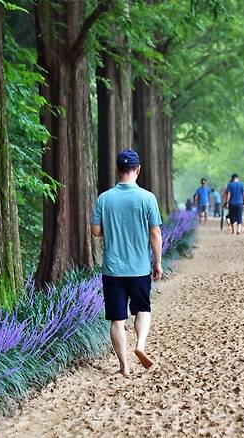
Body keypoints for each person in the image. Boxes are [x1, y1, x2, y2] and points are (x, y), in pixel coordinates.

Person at [91, 149, 163, 377]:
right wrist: (157, 263)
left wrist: (113, 227)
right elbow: (155, 233)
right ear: (138, 170)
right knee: (142, 309)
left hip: (113, 268)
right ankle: (140, 345)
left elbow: (95, 231)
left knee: (117, 319)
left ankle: (124, 367)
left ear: (117, 170)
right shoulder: (147, 198)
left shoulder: (104, 198)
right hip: (140, 267)